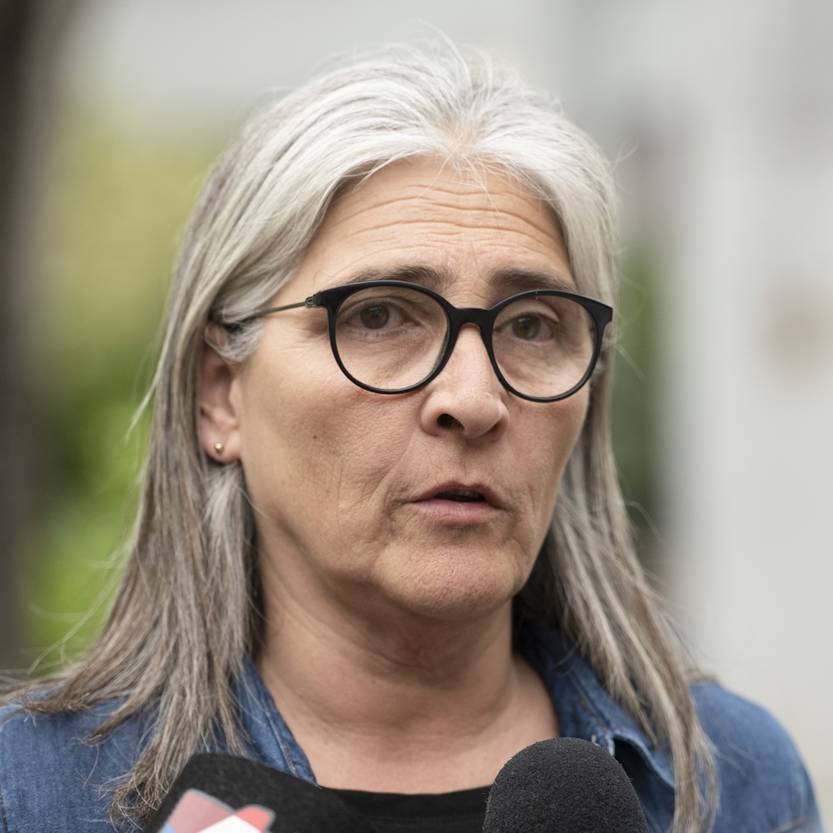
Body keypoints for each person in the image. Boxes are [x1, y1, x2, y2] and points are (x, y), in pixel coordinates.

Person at [0, 41, 823, 833]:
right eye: (378, 316)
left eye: (531, 325)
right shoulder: (33, 796)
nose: (473, 398)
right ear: (221, 395)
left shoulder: (732, 780)